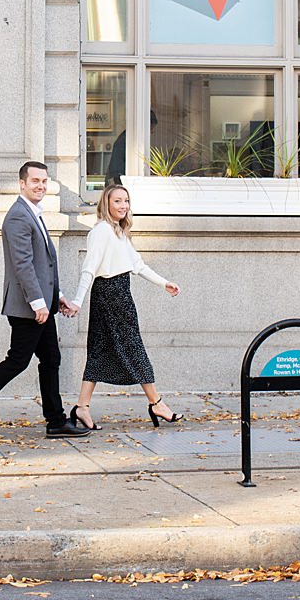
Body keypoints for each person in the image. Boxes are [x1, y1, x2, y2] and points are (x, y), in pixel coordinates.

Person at [0, 161, 93, 444]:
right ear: (22, 183)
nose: (40, 186)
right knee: (17, 361)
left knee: (51, 358)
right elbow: (24, 265)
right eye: (35, 181)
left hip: (40, 305)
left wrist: (58, 297)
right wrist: (39, 303)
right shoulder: (19, 216)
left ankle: (55, 421)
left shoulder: (33, 213)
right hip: (28, 307)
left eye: (44, 181)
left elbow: (44, 266)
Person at [62, 182, 184, 428]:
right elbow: (89, 269)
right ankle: (156, 402)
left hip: (119, 293)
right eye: (117, 200)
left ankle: (81, 407)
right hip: (110, 296)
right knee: (133, 348)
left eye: (126, 201)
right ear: (106, 203)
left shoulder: (119, 231)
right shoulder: (101, 232)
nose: (123, 205)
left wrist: (164, 283)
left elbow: (138, 265)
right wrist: (77, 301)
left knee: (99, 351)